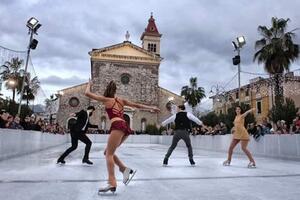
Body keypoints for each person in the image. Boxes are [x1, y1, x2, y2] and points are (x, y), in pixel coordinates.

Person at [85, 80, 160, 194]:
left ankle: (112, 183)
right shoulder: (121, 100)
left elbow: (87, 93)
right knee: (108, 152)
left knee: (109, 154)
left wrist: (89, 84)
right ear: (115, 91)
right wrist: (151, 108)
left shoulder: (107, 100)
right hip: (125, 127)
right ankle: (124, 169)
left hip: (117, 126)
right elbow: (136, 105)